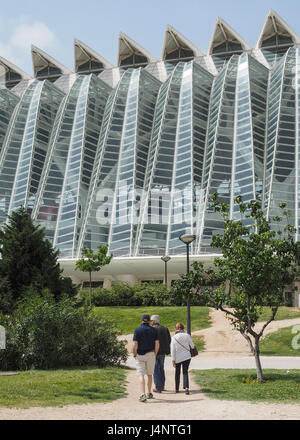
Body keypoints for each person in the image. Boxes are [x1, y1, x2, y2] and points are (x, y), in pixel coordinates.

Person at [133, 314, 160, 402]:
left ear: (142, 320)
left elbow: (135, 344)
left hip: (140, 354)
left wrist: (134, 353)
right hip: (151, 353)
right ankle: (149, 393)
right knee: (149, 374)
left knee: (141, 375)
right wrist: (155, 353)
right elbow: (157, 343)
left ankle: (142, 394)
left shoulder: (137, 330)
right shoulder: (154, 330)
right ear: (149, 321)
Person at [171, 322, 195, 395]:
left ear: (176, 328)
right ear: (183, 328)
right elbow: (193, 346)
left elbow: (173, 350)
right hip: (187, 356)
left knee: (177, 372)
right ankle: (186, 387)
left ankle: (177, 388)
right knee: (185, 372)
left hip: (178, 357)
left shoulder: (174, 337)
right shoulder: (187, 335)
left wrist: (173, 360)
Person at [150, 314, 171, 393]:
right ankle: (162, 385)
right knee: (161, 368)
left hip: (154, 352)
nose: (151, 322)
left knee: (155, 369)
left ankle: (158, 387)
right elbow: (169, 340)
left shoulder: (151, 329)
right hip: (163, 352)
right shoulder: (165, 329)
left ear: (154, 321)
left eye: (151, 321)